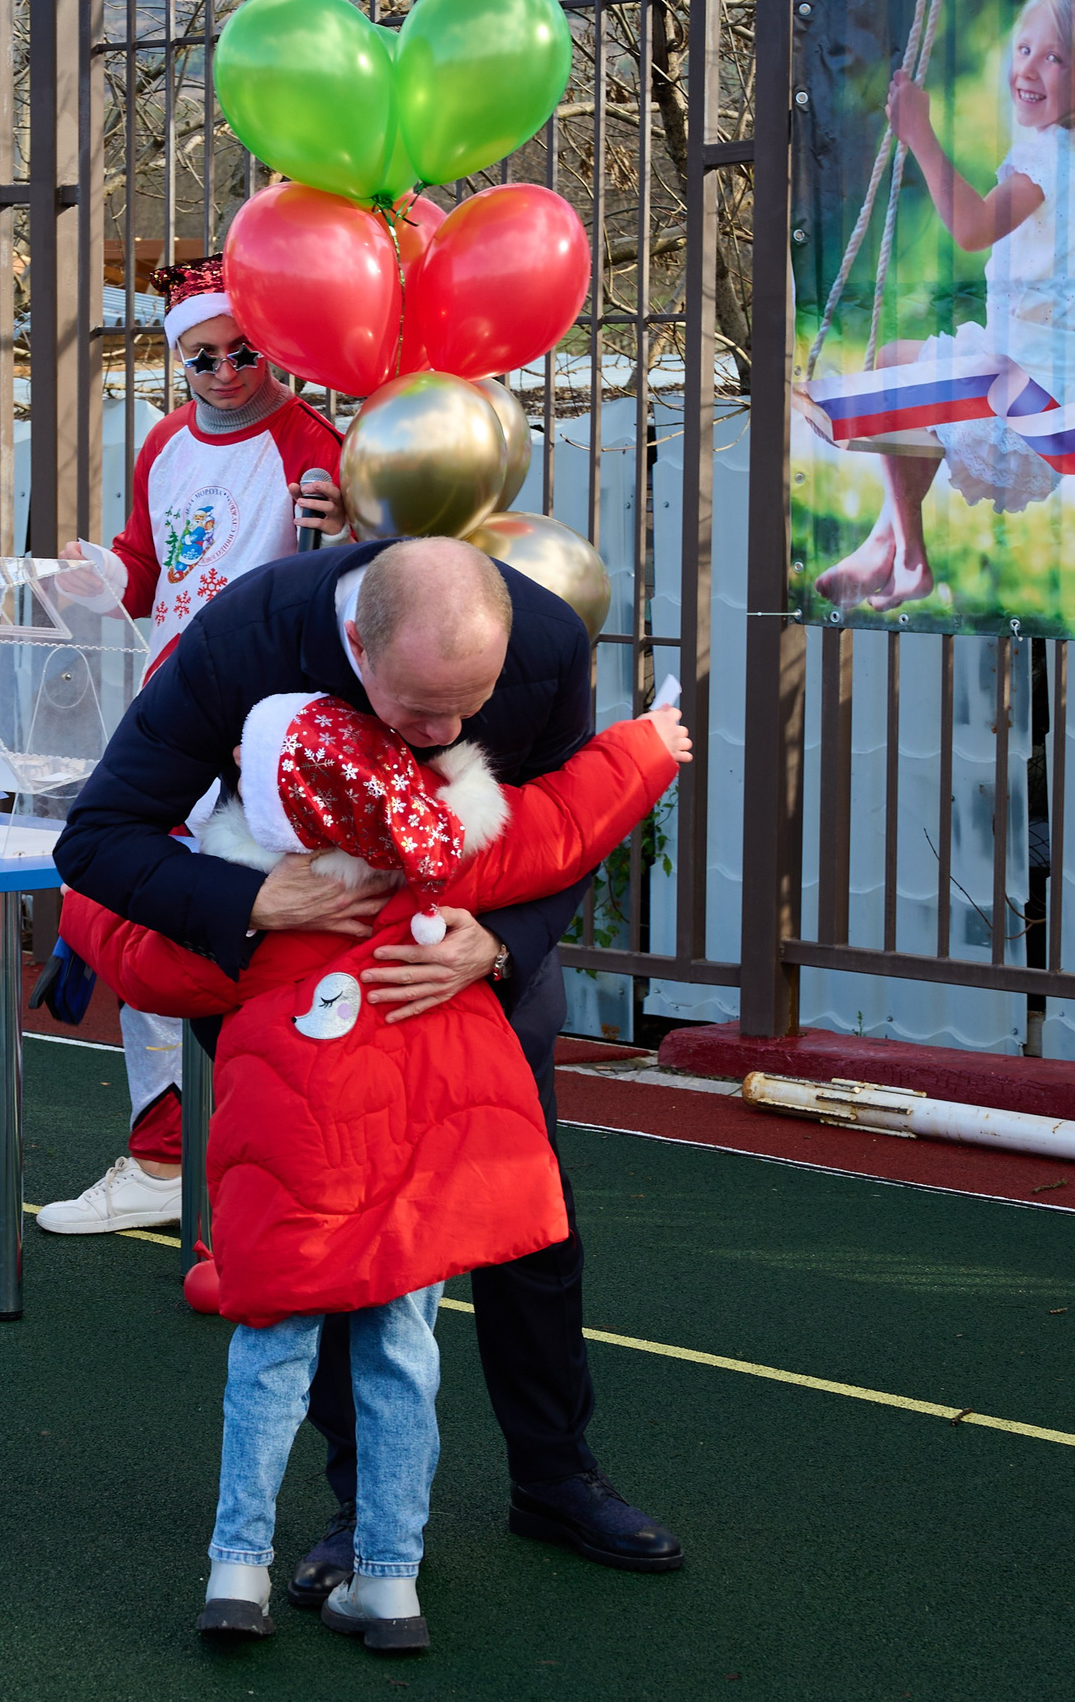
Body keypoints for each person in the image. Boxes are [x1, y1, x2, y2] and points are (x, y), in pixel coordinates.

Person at [54, 535, 687, 1598]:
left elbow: (557, 827)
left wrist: (500, 948)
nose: (444, 737)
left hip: (466, 962)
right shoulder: (241, 642)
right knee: (325, 1242)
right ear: (353, 646)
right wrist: (248, 907)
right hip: (287, 972)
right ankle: (360, 1515)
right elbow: (99, 837)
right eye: (416, 712)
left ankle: (556, 1474)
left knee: (526, 1215)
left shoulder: (541, 643)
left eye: (466, 709)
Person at [35, 252, 349, 1236]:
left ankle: (280, 1160)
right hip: (164, 714)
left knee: (256, 946)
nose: (222, 374)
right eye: (201, 359)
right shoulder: (164, 442)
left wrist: (338, 528)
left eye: (241, 353)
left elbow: (343, 591)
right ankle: (164, 1152)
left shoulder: (314, 442)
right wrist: (87, 578)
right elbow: (142, 574)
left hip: (259, 733)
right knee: (148, 921)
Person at [813, 0, 1075, 612]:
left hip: (1010, 401)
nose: (1028, 68)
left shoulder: (1046, 158)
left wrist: (919, 133)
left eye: (1054, 58)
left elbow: (972, 228)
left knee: (894, 368)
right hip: (1054, 393)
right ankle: (882, 541)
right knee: (912, 375)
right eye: (1024, 49)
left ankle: (910, 555)